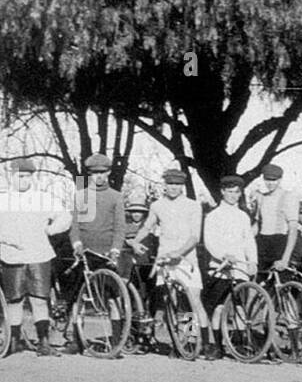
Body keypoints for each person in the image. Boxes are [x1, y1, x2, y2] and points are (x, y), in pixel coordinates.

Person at [0, 158, 71, 356]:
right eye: (20, 176)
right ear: (11, 176)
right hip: (12, 255)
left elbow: (65, 217)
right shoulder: (0, 200)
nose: (24, 180)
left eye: (27, 176)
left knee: (39, 299)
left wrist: (52, 229)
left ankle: (43, 341)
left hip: (39, 254)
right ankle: (14, 340)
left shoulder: (43, 198)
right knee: (14, 300)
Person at [131, 168, 211, 355]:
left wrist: (180, 252)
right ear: (164, 185)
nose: (173, 188)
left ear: (182, 186)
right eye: (170, 184)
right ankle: (185, 343)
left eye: (177, 184)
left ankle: (205, 344)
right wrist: (135, 240)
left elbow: (194, 237)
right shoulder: (157, 205)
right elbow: (147, 226)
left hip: (186, 259)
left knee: (193, 301)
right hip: (165, 260)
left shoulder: (193, 205)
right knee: (174, 302)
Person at [58, 153, 126, 350]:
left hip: (107, 254)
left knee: (113, 298)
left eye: (103, 172)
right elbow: (75, 226)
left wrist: (115, 249)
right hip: (85, 253)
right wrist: (77, 244)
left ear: (109, 173)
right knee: (78, 297)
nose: (99, 177)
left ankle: (116, 341)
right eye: (94, 173)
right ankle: (76, 340)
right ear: (89, 174)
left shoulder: (116, 196)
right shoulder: (82, 195)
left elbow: (120, 227)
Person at [201, 175, 257, 360]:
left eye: (237, 192)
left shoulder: (243, 216)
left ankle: (241, 344)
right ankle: (216, 346)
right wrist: (222, 255)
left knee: (240, 307)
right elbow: (209, 241)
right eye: (230, 191)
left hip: (239, 267)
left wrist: (252, 261)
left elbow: (248, 240)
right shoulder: (213, 216)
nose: (233, 195)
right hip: (220, 267)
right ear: (222, 192)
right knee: (218, 307)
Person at [250, 163, 301, 272]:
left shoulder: (288, 197)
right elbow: (257, 225)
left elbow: (293, 229)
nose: (270, 183)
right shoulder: (262, 198)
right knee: (258, 280)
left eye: (274, 180)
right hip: (262, 242)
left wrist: (285, 258)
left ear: (280, 179)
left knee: (279, 282)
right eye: (267, 179)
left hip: (279, 243)